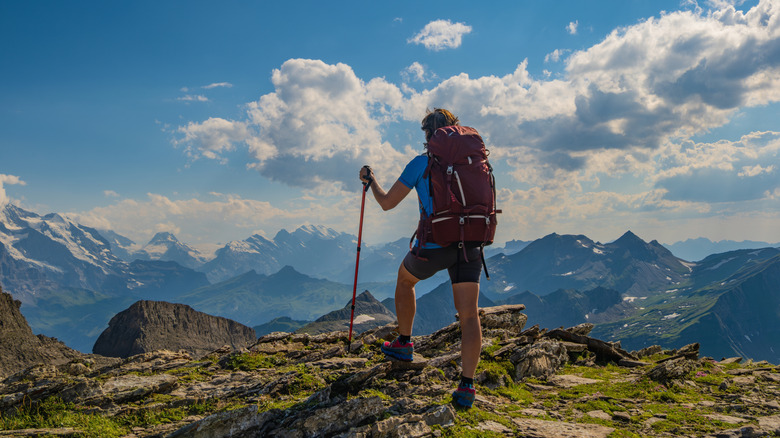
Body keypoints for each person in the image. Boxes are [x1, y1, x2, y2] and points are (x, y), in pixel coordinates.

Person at [359, 108, 483, 409]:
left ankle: (404, 343)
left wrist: (371, 180)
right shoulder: (475, 162)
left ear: (429, 135)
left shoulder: (421, 164)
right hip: (471, 243)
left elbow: (388, 203)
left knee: (404, 280)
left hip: (435, 244)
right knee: (469, 314)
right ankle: (466, 386)